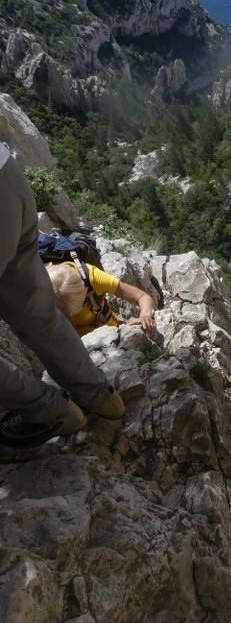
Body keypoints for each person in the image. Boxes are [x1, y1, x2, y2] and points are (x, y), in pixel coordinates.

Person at [0, 143, 125, 453]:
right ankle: (100, 397)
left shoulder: (88, 278)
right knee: (36, 309)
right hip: (7, 178)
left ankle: (48, 412)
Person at [47, 260, 156, 338]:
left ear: (84, 290)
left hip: (107, 330)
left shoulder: (93, 277)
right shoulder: (40, 288)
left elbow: (142, 297)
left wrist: (145, 316)